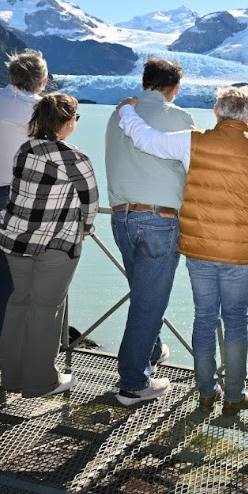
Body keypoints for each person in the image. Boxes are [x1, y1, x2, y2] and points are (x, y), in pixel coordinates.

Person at [115, 86, 248, 415]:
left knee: (203, 319)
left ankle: (205, 391)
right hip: (238, 253)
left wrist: (127, 112)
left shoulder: (193, 140)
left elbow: (147, 139)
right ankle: (234, 395)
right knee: (236, 322)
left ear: (216, 111)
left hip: (199, 249)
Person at [0, 93, 97, 398]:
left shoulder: (24, 150)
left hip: (16, 240)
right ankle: (41, 381)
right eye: (76, 118)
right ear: (68, 122)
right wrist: (85, 229)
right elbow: (90, 203)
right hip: (56, 245)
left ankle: (12, 376)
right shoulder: (74, 157)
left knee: (19, 303)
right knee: (46, 310)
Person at [104, 57, 195, 407]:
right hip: (159, 220)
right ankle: (133, 382)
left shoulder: (118, 113)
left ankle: (152, 350)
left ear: (145, 82)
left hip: (120, 218)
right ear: (173, 88)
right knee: (148, 301)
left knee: (142, 294)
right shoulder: (180, 117)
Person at [0, 50, 47, 363]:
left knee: (8, 272)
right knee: (19, 276)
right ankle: (3, 346)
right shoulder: (32, 108)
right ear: (41, 81)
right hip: (17, 198)